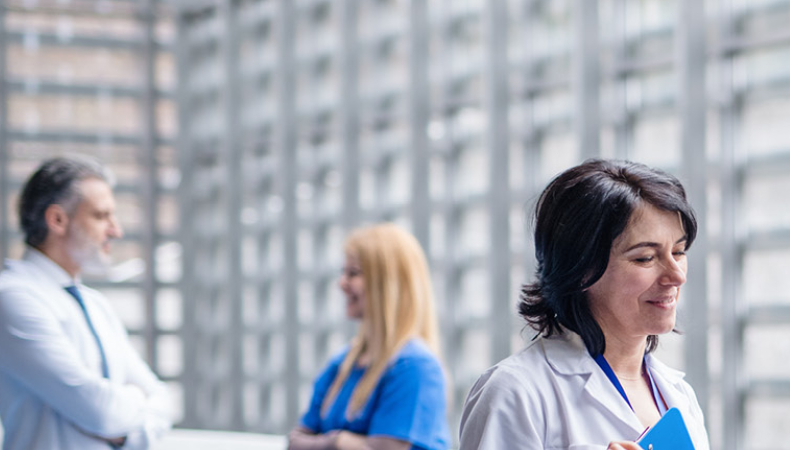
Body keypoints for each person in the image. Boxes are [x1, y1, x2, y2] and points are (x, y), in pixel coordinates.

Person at [458, 159, 710, 450]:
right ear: (581, 269)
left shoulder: (679, 395)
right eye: (645, 258)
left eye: (678, 252)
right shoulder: (516, 392)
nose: (676, 276)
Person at [0, 156, 173, 449]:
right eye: (102, 216)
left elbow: (161, 397)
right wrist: (133, 401)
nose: (116, 231)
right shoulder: (11, 300)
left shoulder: (95, 304)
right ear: (57, 220)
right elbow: (101, 413)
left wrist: (126, 433)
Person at [288, 224, 451, 450]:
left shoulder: (415, 366)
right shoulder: (343, 362)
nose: (341, 283)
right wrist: (339, 442)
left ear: (387, 283)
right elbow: (295, 441)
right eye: (344, 273)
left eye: (353, 273)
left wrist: (329, 441)